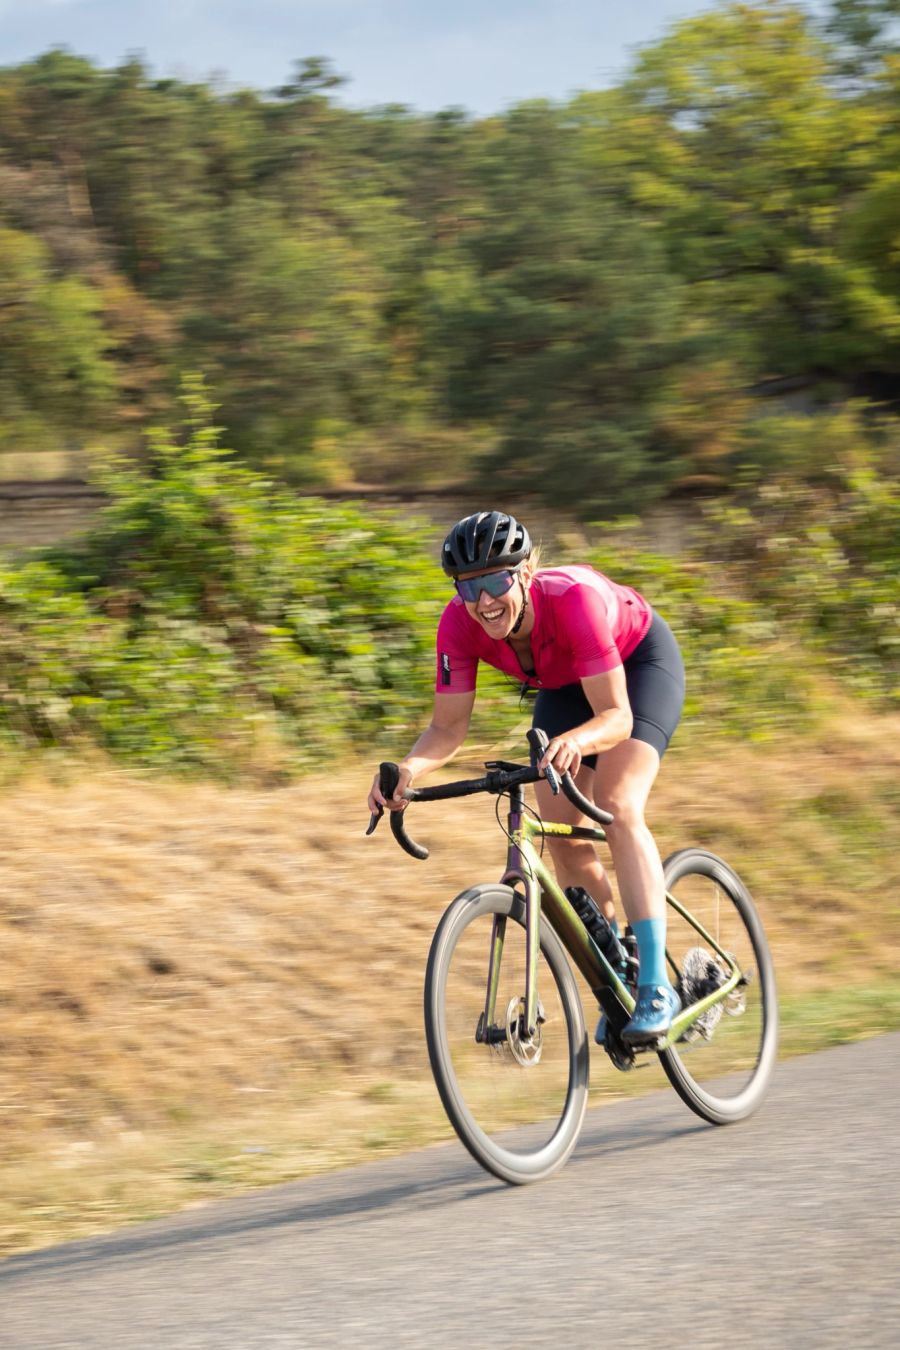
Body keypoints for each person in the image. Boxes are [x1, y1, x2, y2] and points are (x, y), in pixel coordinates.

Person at [368, 510, 686, 1046]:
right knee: (561, 834)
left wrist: (580, 742)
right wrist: (408, 770)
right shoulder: (458, 622)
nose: (484, 601)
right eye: (469, 587)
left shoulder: (573, 601)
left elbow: (616, 718)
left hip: (636, 664)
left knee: (617, 802)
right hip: (563, 683)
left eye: (496, 580)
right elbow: (446, 728)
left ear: (526, 571)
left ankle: (657, 984)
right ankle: (621, 977)